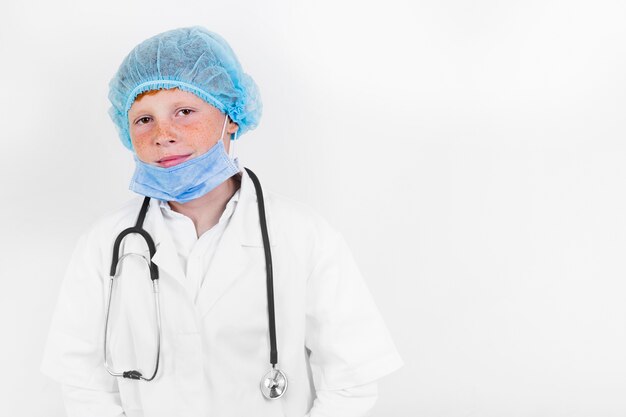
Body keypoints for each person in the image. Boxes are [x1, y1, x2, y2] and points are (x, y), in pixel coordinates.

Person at [41, 26, 403, 417]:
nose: (163, 134)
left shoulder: (304, 235)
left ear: (231, 116)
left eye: (185, 111)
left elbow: (351, 381)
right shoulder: (105, 244)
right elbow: (83, 384)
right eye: (144, 119)